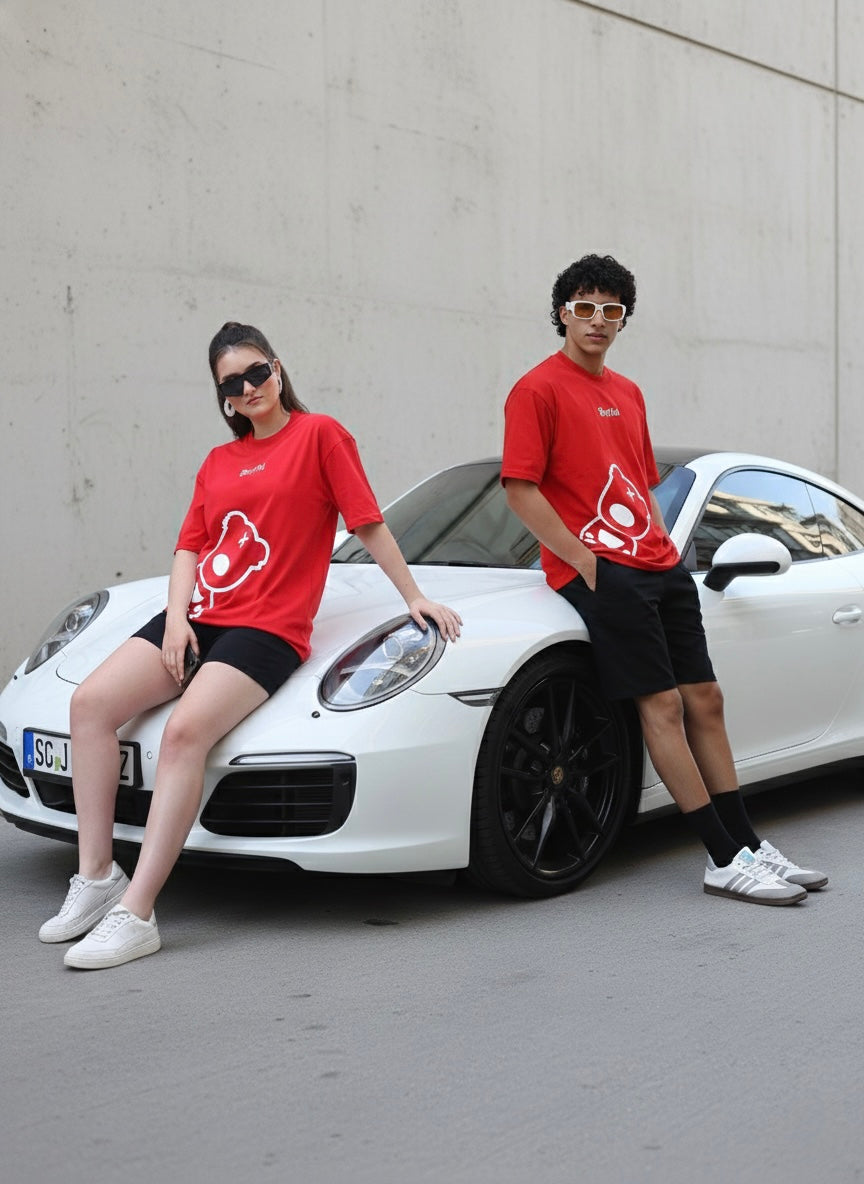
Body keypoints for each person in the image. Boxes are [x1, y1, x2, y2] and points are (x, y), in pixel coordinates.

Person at [40, 321, 462, 968]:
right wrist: (175, 619)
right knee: (89, 706)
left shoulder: (321, 436)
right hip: (200, 617)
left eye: (256, 372)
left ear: (277, 369)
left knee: (184, 734)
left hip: (267, 629)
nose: (248, 388)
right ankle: (97, 877)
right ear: (224, 398)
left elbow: (367, 522)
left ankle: (137, 913)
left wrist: (414, 597)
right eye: (231, 384)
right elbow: (190, 546)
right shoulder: (219, 461)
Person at [501, 254, 826, 906]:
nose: (598, 320)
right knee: (664, 706)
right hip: (603, 571)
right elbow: (520, 488)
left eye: (611, 310)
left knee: (706, 699)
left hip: (657, 564)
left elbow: (642, 484)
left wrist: (664, 548)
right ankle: (721, 857)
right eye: (585, 308)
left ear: (624, 319)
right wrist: (584, 561)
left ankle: (747, 843)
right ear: (563, 313)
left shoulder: (628, 393)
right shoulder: (536, 390)